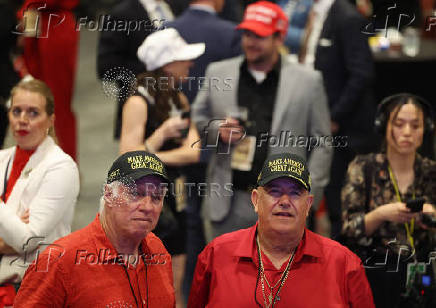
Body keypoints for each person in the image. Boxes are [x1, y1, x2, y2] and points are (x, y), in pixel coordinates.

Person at [192, 0, 332, 239]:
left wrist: (309, 195)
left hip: (284, 205)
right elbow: (198, 117)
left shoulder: (308, 81)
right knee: (225, 276)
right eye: (247, 34)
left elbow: (323, 142)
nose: (250, 42)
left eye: (259, 36)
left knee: (283, 276)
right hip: (228, 202)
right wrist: (217, 130)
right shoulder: (219, 72)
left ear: (279, 38)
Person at [188, 152, 374, 307]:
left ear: (309, 204)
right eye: (274, 191)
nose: (284, 202)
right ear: (256, 200)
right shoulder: (216, 254)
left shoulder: (344, 264)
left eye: (295, 193)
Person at [15, 150, 175, 307]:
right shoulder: (59, 262)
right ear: (109, 195)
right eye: (135, 194)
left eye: (156, 197)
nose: (147, 207)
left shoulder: (158, 251)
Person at [120, 27, 203, 307]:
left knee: (175, 271)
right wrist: (160, 136)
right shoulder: (137, 101)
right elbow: (127, 159)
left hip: (174, 195)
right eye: (184, 59)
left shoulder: (178, 98)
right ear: (167, 65)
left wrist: (153, 155)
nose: (190, 64)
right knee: (143, 276)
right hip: (143, 200)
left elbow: (193, 152)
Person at [165, 0, 242, 298]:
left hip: (177, 146)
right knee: (230, 220)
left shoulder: (169, 29)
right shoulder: (230, 33)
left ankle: (190, 294)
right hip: (223, 145)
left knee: (191, 222)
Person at [341, 94, 436, 308]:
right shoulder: (364, 167)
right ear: (384, 126)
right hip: (376, 271)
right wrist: (381, 214)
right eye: (399, 124)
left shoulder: (431, 171)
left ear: (426, 129)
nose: (407, 133)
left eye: (415, 125)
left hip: (422, 269)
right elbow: (347, 229)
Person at [293, 0, 376, 238]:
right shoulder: (317, 13)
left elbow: (361, 74)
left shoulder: (347, 17)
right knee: (312, 195)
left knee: (341, 208)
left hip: (342, 134)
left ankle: (343, 269)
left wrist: (334, 116)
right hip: (315, 125)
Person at [0, 79, 79, 300]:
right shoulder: (1, 159)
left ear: (50, 120)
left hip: (35, 290)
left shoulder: (61, 167)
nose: (22, 120)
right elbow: (21, 238)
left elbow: (26, 240)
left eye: (33, 113)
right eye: (16, 111)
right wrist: (10, 235)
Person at [97, 0, 174, 139]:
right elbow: (105, 67)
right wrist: (154, 73)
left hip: (178, 106)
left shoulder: (175, 6)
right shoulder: (121, 15)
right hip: (145, 116)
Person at [16, 0, 80, 161]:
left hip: (54, 25)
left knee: (57, 103)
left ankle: (65, 163)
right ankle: (42, 161)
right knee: (36, 99)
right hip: (37, 22)